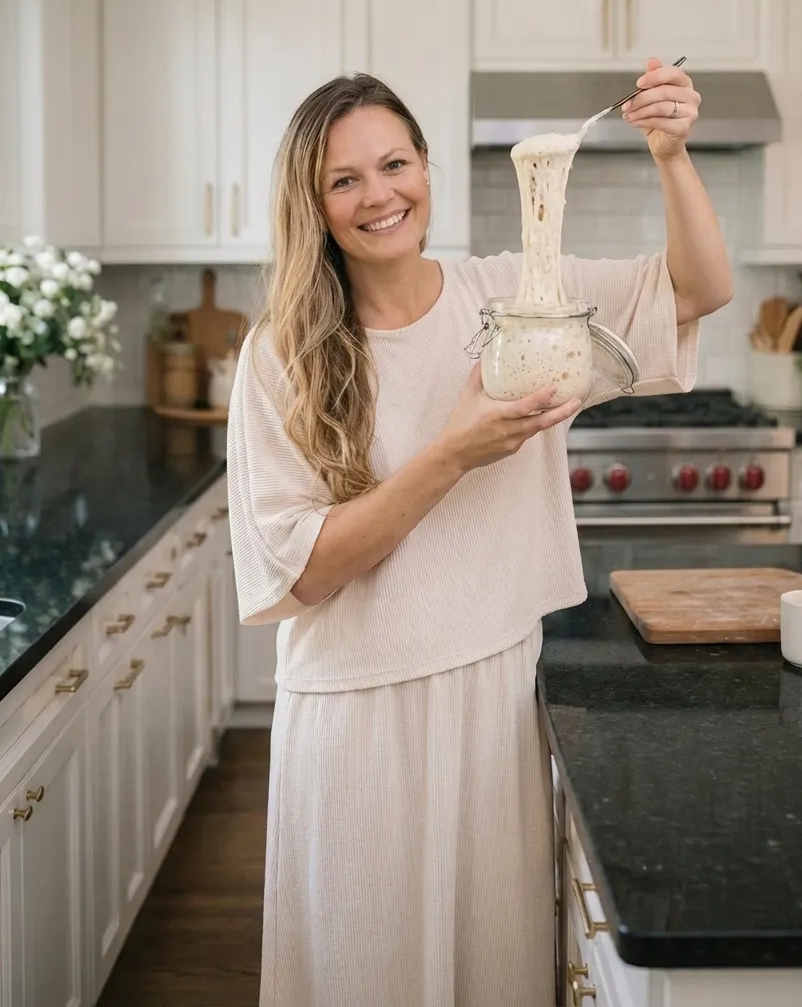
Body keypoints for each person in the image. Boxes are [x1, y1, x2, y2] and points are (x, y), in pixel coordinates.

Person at [227, 58, 732, 1007]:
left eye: (394, 163)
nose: (379, 195)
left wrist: (671, 155)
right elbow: (299, 572)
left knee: (492, 976)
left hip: (496, 695)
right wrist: (450, 455)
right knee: (362, 977)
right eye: (345, 179)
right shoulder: (282, 354)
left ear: (427, 166)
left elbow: (699, 288)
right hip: (356, 720)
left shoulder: (519, 298)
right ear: (313, 203)